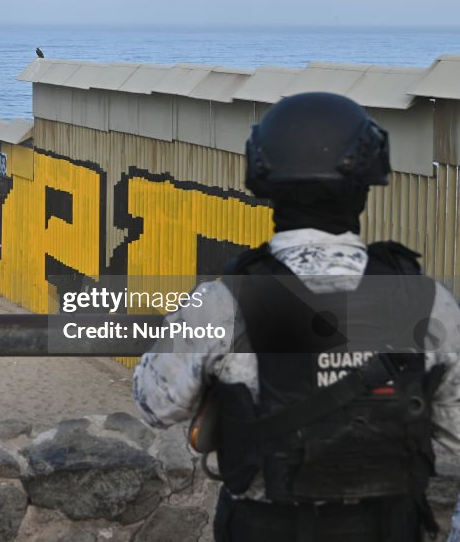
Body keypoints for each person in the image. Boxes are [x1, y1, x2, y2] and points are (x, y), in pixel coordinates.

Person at [133, 92, 460, 541]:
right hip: (390, 527)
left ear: (264, 182)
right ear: (366, 184)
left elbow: (155, 404)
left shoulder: (224, 302)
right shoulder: (428, 301)